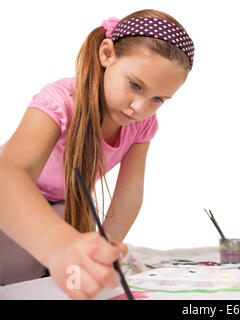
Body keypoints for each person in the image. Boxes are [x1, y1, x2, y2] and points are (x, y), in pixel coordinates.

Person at [0, 9, 194, 299]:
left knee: (72, 275)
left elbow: (129, 194)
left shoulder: (142, 125)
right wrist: (59, 245)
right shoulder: (59, 101)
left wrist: (106, 248)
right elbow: (8, 175)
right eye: (135, 85)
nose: (139, 107)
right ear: (107, 54)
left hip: (63, 205)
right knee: (18, 275)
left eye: (157, 99)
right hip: (14, 199)